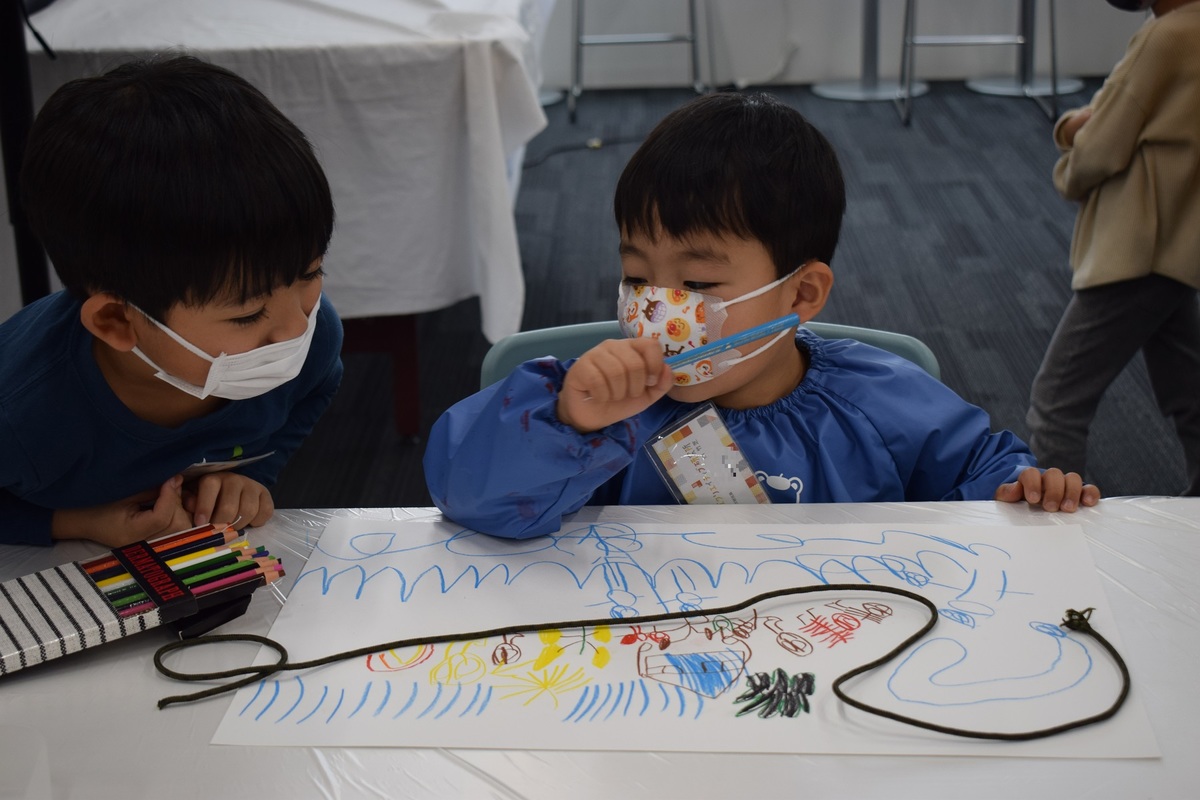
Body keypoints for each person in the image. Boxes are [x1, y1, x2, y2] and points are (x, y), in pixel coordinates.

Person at [424, 92, 1100, 540]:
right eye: (636, 277)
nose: (656, 310)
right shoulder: (601, 405)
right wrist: (565, 425)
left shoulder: (880, 402)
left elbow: (980, 476)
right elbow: (468, 496)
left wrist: (1023, 491)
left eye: (697, 281)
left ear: (802, 294)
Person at [0, 55, 343, 548]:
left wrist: (249, 477)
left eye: (309, 274)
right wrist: (77, 523)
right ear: (117, 321)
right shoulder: (21, 413)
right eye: (247, 313)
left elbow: (315, 388)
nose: (296, 328)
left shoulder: (315, 331)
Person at [1027, 0, 1200, 495]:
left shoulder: (1165, 37)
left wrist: (1069, 142)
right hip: (1176, 244)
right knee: (1191, 393)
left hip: (1138, 249)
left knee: (1056, 405)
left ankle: (1059, 527)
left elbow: (1099, 146)